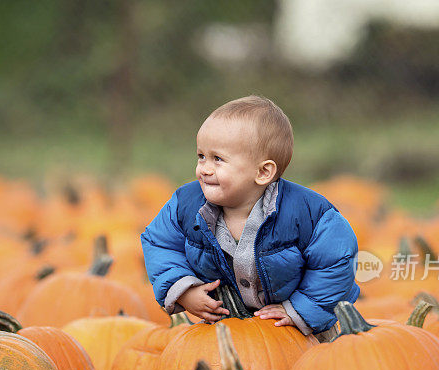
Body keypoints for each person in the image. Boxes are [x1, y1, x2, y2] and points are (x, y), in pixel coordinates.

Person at [140, 95, 359, 340]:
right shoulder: (185, 205)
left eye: (218, 159)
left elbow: (336, 260)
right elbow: (159, 242)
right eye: (201, 156)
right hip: (226, 327)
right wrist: (182, 288)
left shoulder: (308, 214)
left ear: (263, 172)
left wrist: (301, 309)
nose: (204, 168)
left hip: (296, 329)